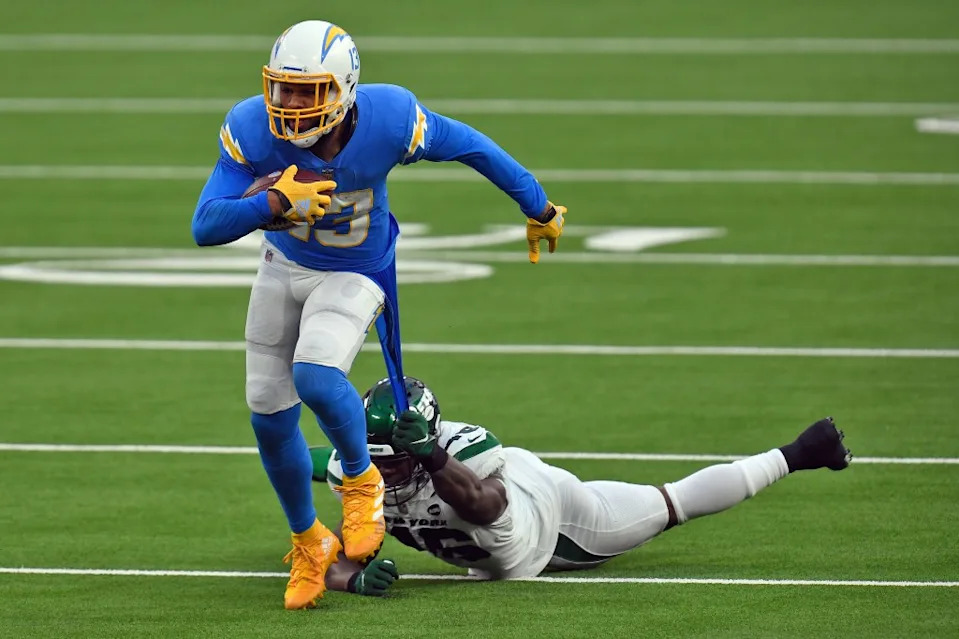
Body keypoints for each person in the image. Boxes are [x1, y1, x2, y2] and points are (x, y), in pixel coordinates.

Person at [190, 20, 567, 610]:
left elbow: (471, 145)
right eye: (282, 89)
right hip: (281, 266)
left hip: (356, 270)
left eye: (306, 91)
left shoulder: (389, 118)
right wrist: (271, 203)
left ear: (344, 90)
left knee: (316, 375)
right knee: (267, 414)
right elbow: (205, 224)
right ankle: (309, 541)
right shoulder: (249, 126)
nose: (289, 105)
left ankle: (362, 483)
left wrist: (536, 203)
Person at [309, 377, 852, 596]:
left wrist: (433, 457)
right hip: (487, 539)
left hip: (546, 516)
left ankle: (799, 454)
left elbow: (485, 504)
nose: (387, 473)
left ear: (425, 443)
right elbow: (324, 556)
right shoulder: (357, 467)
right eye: (377, 460)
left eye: (399, 460)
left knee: (670, 505)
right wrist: (348, 578)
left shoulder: (461, 448)